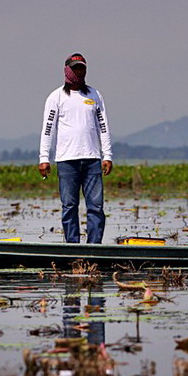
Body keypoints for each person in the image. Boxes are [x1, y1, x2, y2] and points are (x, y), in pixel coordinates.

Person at [39, 53, 113, 244]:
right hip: (66, 160)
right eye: (76, 68)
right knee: (69, 206)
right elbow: (48, 129)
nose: (79, 72)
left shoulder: (94, 95)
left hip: (92, 159)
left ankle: (94, 246)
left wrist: (107, 155)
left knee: (96, 206)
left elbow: (103, 126)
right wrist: (44, 158)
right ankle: (73, 246)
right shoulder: (55, 97)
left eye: (82, 68)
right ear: (67, 71)